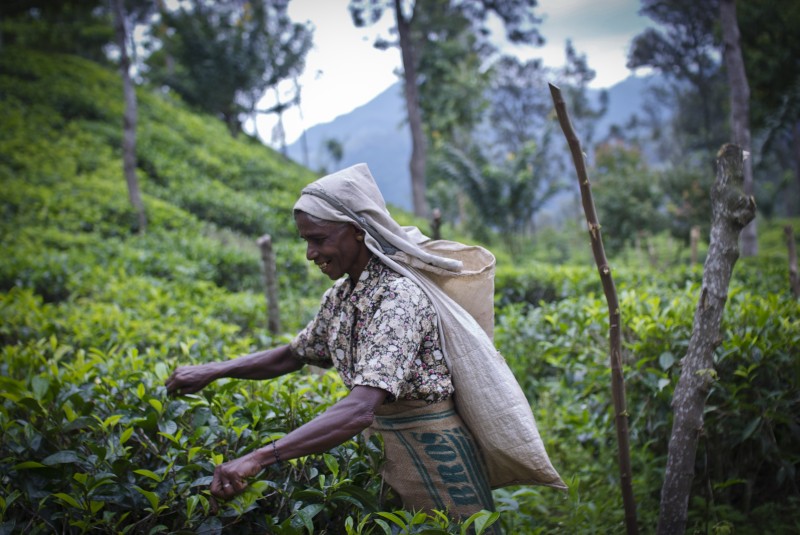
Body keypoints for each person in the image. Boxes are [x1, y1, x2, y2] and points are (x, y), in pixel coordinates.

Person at [166, 163, 563, 521]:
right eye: (306, 241)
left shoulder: (398, 298)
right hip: (387, 451)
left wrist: (258, 458)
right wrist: (212, 372)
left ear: (358, 231)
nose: (311, 254)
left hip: (436, 455)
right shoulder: (341, 297)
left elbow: (360, 409)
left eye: (319, 239)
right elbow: (292, 355)